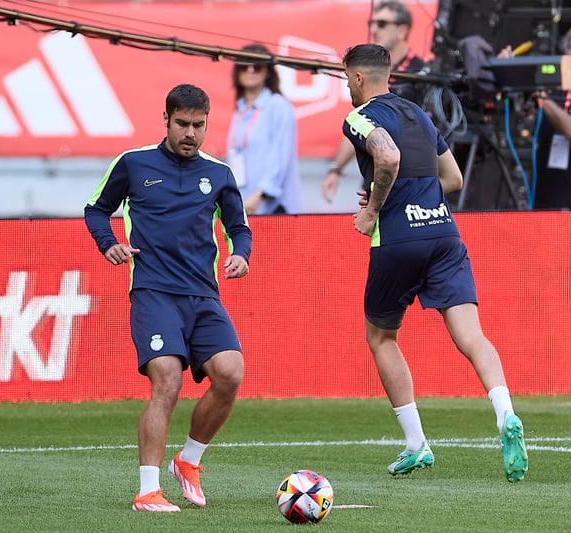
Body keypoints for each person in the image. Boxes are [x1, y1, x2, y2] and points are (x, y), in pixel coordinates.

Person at [340, 43, 528, 482]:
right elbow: (453, 178)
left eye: (347, 78)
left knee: (381, 337)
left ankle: (416, 444)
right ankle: (505, 412)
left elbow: (387, 156)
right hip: (444, 234)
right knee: (472, 336)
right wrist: (406, 195)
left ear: (359, 78)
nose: (347, 86)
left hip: (399, 240)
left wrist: (374, 209)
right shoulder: (419, 115)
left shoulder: (359, 117)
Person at [84, 84, 252, 511]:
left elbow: (239, 227)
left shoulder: (219, 174)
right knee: (168, 380)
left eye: (199, 125)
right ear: (166, 120)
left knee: (230, 374)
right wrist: (108, 244)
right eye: (182, 124)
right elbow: (96, 208)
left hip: (203, 295)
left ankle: (188, 460)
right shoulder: (133, 163)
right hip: (154, 292)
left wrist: (241, 254)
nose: (190, 133)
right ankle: (148, 490)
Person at [321, 0, 426, 203]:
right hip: (376, 184)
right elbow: (361, 124)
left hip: (409, 188)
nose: (374, 29)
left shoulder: (422, 75)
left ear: (402, 30)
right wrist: (335, 168)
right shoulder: (371, 75)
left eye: (382, 24)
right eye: (372, 23)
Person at [226, 43, 303, 214]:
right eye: (245, 66)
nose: (250, 70)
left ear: (267, 71)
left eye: (257, 66)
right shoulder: (239, 109)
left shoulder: (278, 105)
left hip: (272, 208)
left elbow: (280, 158)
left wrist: (259, 195)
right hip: (245, 205)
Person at [500, 28, 571, 209]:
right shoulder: (557, 88)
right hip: (548, 193)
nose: (568, 52)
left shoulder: (548, 96)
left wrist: (541, 98)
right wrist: (504, 69)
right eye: (569, 45)